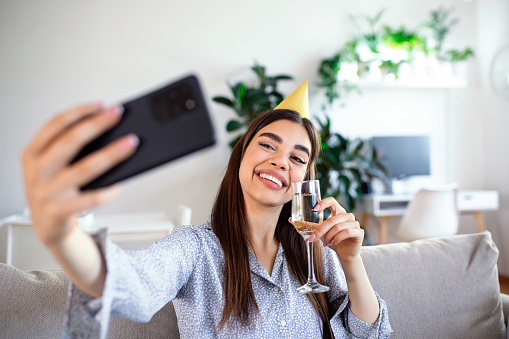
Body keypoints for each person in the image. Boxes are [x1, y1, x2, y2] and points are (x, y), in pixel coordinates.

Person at [22, 81, 392, 338]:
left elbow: (370, 334)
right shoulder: (195, 249)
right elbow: (129, 287)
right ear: (241, 157)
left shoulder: (315, 253)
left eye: (298, 157)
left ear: (304, 180)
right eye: (268, 145)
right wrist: (62, 234)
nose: (281, 161)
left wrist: (351, 261)